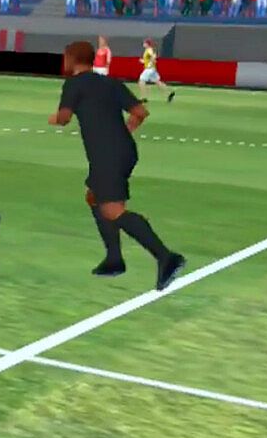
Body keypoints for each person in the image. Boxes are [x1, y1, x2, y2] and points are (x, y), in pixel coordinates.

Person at [50, 41, 186, 291]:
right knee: (94, 196)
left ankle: (166, 257)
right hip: (124, 150)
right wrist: (121, 133)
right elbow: (140, 112)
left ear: (72, 59)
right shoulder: (110, 83)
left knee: (113, 210)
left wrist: (54, 119)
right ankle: (114, 259)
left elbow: (64, 118)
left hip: (106, 155)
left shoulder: (74, 84)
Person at [137, 37, 175, 103]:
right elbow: (149, 59)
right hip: (152, 69)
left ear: (147, 44)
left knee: (141, 81)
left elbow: (153, 56)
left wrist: (152, 62)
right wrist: (143, 61)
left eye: (144, 43)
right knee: (158, 82)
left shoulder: (149, 50)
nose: (143, 44)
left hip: (149, 69)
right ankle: (169, 93)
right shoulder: (147, 50)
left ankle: (143, 97)